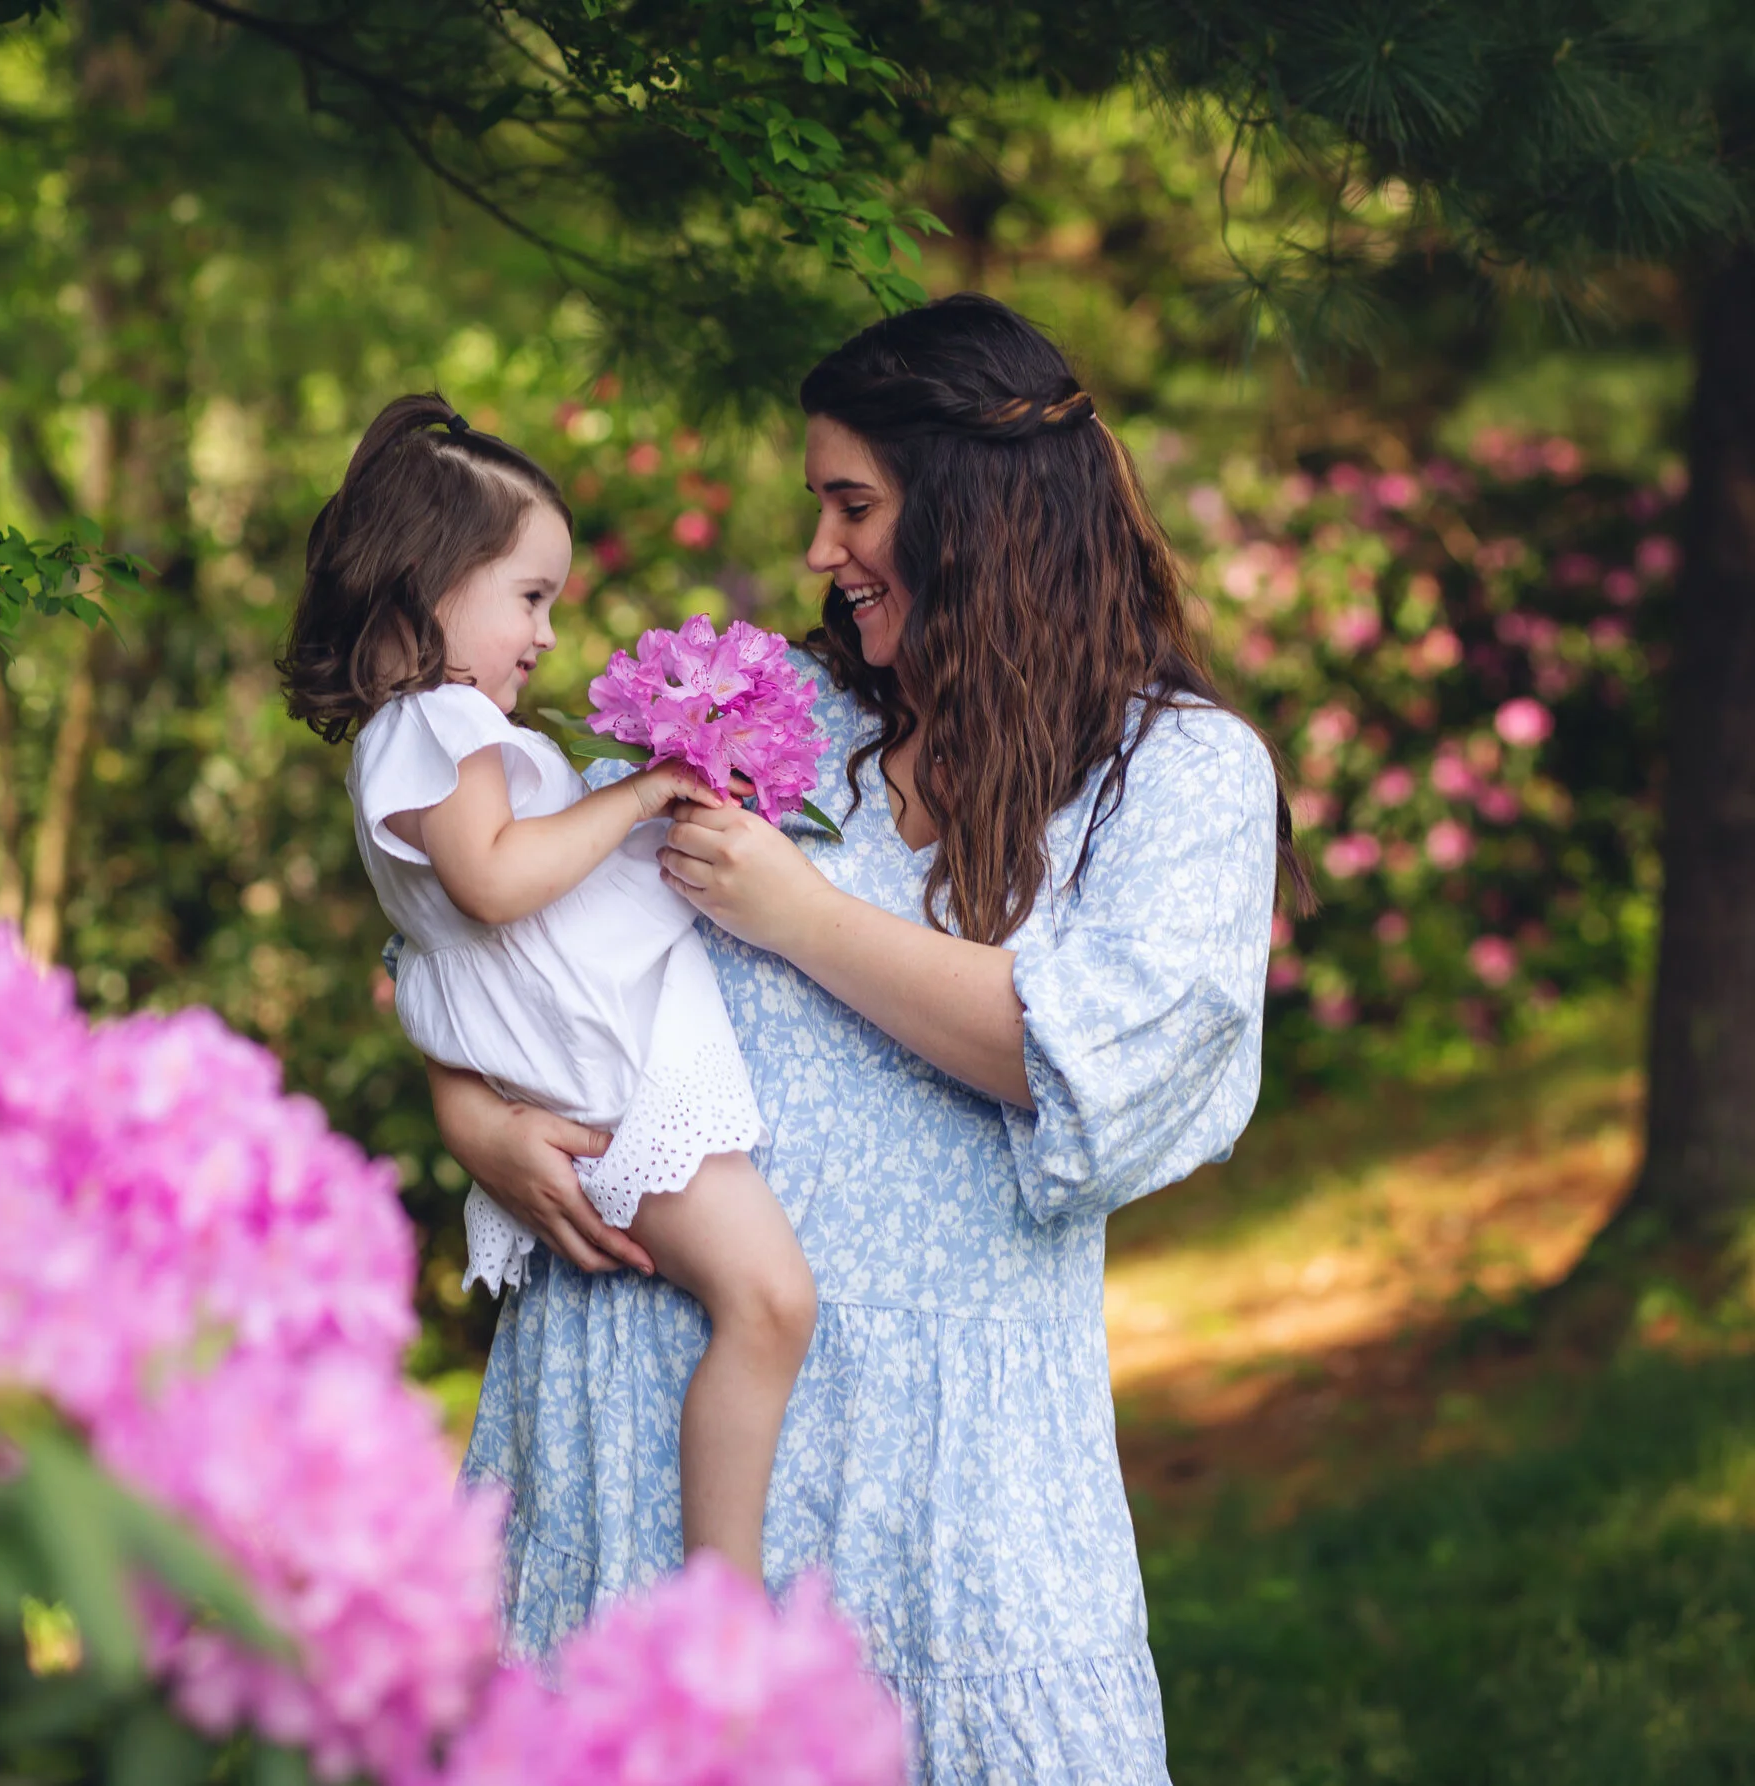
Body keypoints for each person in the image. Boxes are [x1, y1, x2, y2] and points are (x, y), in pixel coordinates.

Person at [435, 296, 1308, 1782]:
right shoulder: (775, 723)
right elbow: (510, 921)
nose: (824, 552)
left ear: (980, 512)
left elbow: (1089, 1058)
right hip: (634, 1414)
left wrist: (800, 913)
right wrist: (474, 1116)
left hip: (935, 1468)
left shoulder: (1174, 779)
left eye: (857, 504)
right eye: (818, 507)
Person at [280, 393, 818, 1580]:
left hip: (593, 1065)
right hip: (608, 1082)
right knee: (771, 1303)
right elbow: (493, 879)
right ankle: (722, 1594)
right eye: (529, 597)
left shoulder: (435, 729)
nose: (544, 635)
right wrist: (633, 794)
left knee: (765, 1305)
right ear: (429, 585)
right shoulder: (435, 719)